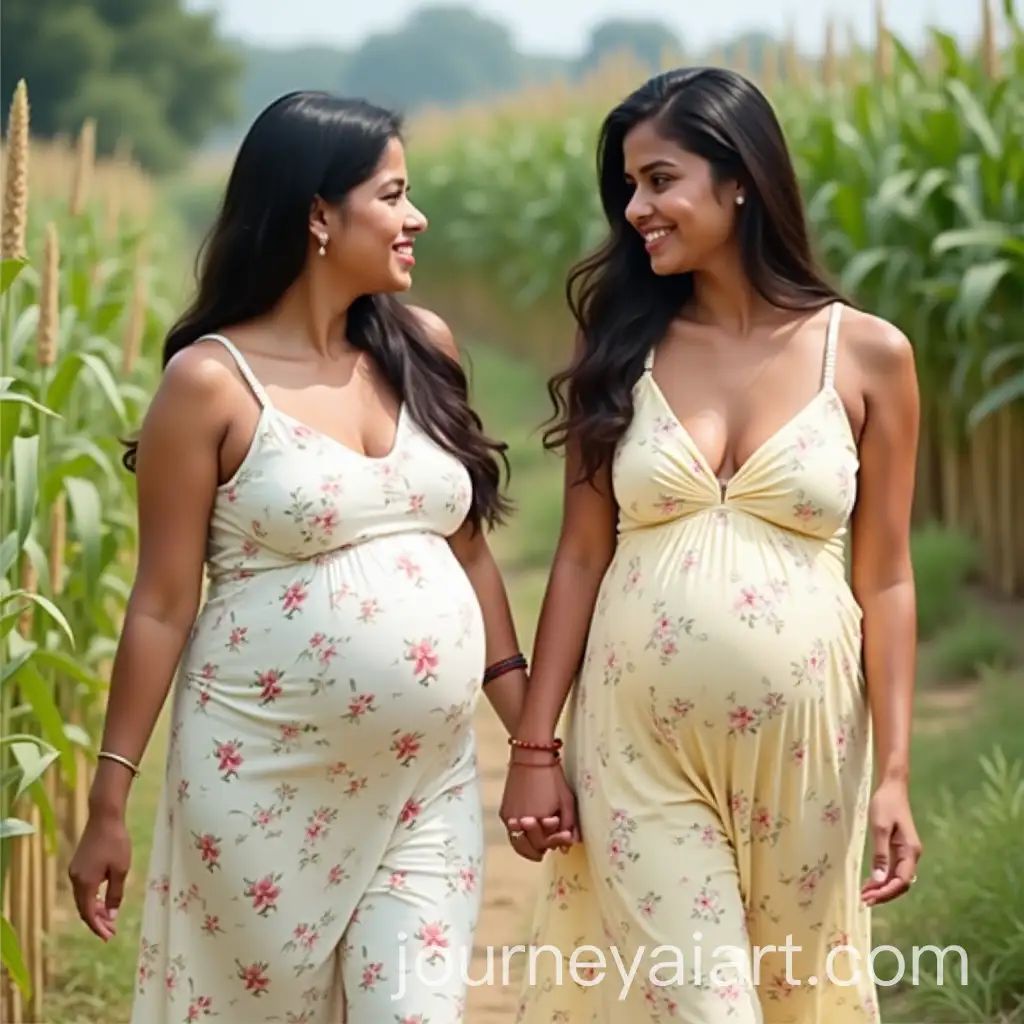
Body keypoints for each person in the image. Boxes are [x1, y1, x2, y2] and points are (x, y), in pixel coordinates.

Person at [67, 91, 570, 1024]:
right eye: (393, 194)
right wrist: (108, 799)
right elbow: (162, 603)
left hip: (427, 789)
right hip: (258, 788)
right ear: (317, 214)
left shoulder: (425, 349)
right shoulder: (210, 383)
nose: (416, 217)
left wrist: (534, 744)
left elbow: (469, 561)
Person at [499, 66, 922, 1023]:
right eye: (629, 189)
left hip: (809, 750)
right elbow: (577, 556)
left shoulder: (867, 354)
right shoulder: (621, 345)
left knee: (789, 1002)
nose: (637, 209)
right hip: (637, 744)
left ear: (738, 177)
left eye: (659, 180)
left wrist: (895, 772)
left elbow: (888, 577)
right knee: (705, 1009)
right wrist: (535, 742)